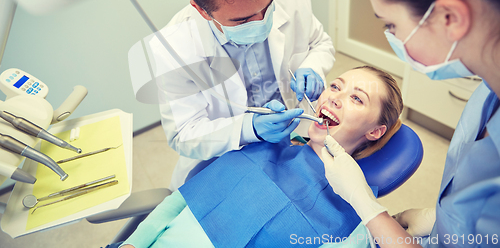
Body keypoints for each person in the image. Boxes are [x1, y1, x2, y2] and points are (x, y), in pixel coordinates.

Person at [321, 0, 500, 247]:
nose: (391, 36)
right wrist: (439, 221)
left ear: (450, 18)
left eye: (391, 25)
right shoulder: (487, 94)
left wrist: (369, 211)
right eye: (336, 86)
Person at [110, 66, 403, 248]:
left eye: (356, 98)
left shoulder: (358, 218)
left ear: (375, 132)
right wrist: (133, 243)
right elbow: (178, 202)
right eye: (336, 86)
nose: (334, 98)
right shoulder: (261, 148)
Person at [146, 0, 335, 191]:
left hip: (295, 140)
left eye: (268, 7)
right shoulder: (173, 46)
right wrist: (251, 128)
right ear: (202, 10)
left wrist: (313, 67)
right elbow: (183, 135)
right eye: (243, 20)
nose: (261, 22)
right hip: (225, 161)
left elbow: (321, 43)